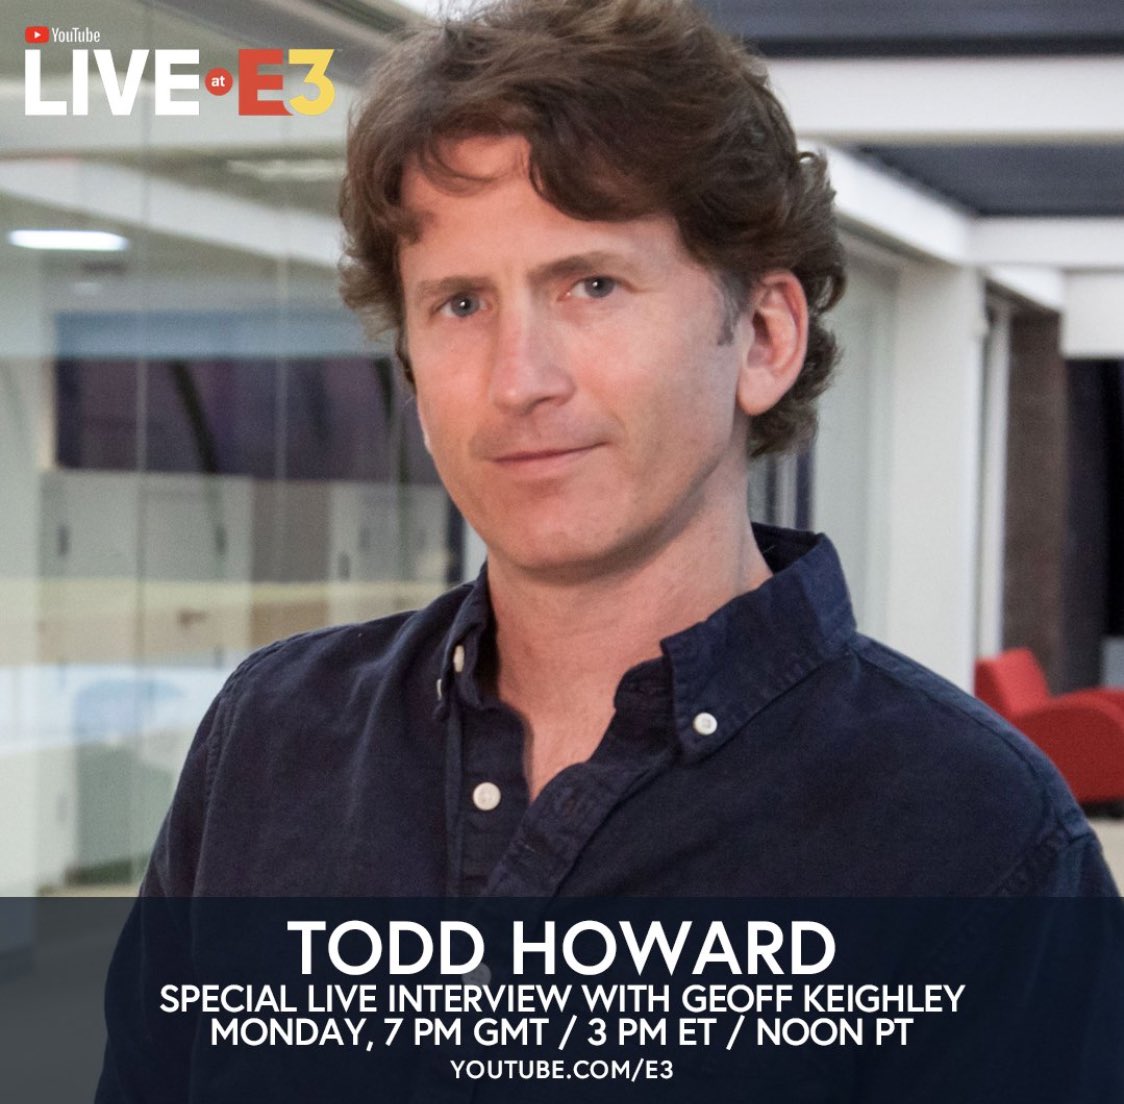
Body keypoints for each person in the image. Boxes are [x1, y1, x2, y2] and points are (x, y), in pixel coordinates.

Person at [98, 1, 1123, 1100]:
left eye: (591, 285)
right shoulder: (272, 739)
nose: (517, 379)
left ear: (763, 338)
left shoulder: (977, 839)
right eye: (459, 303)